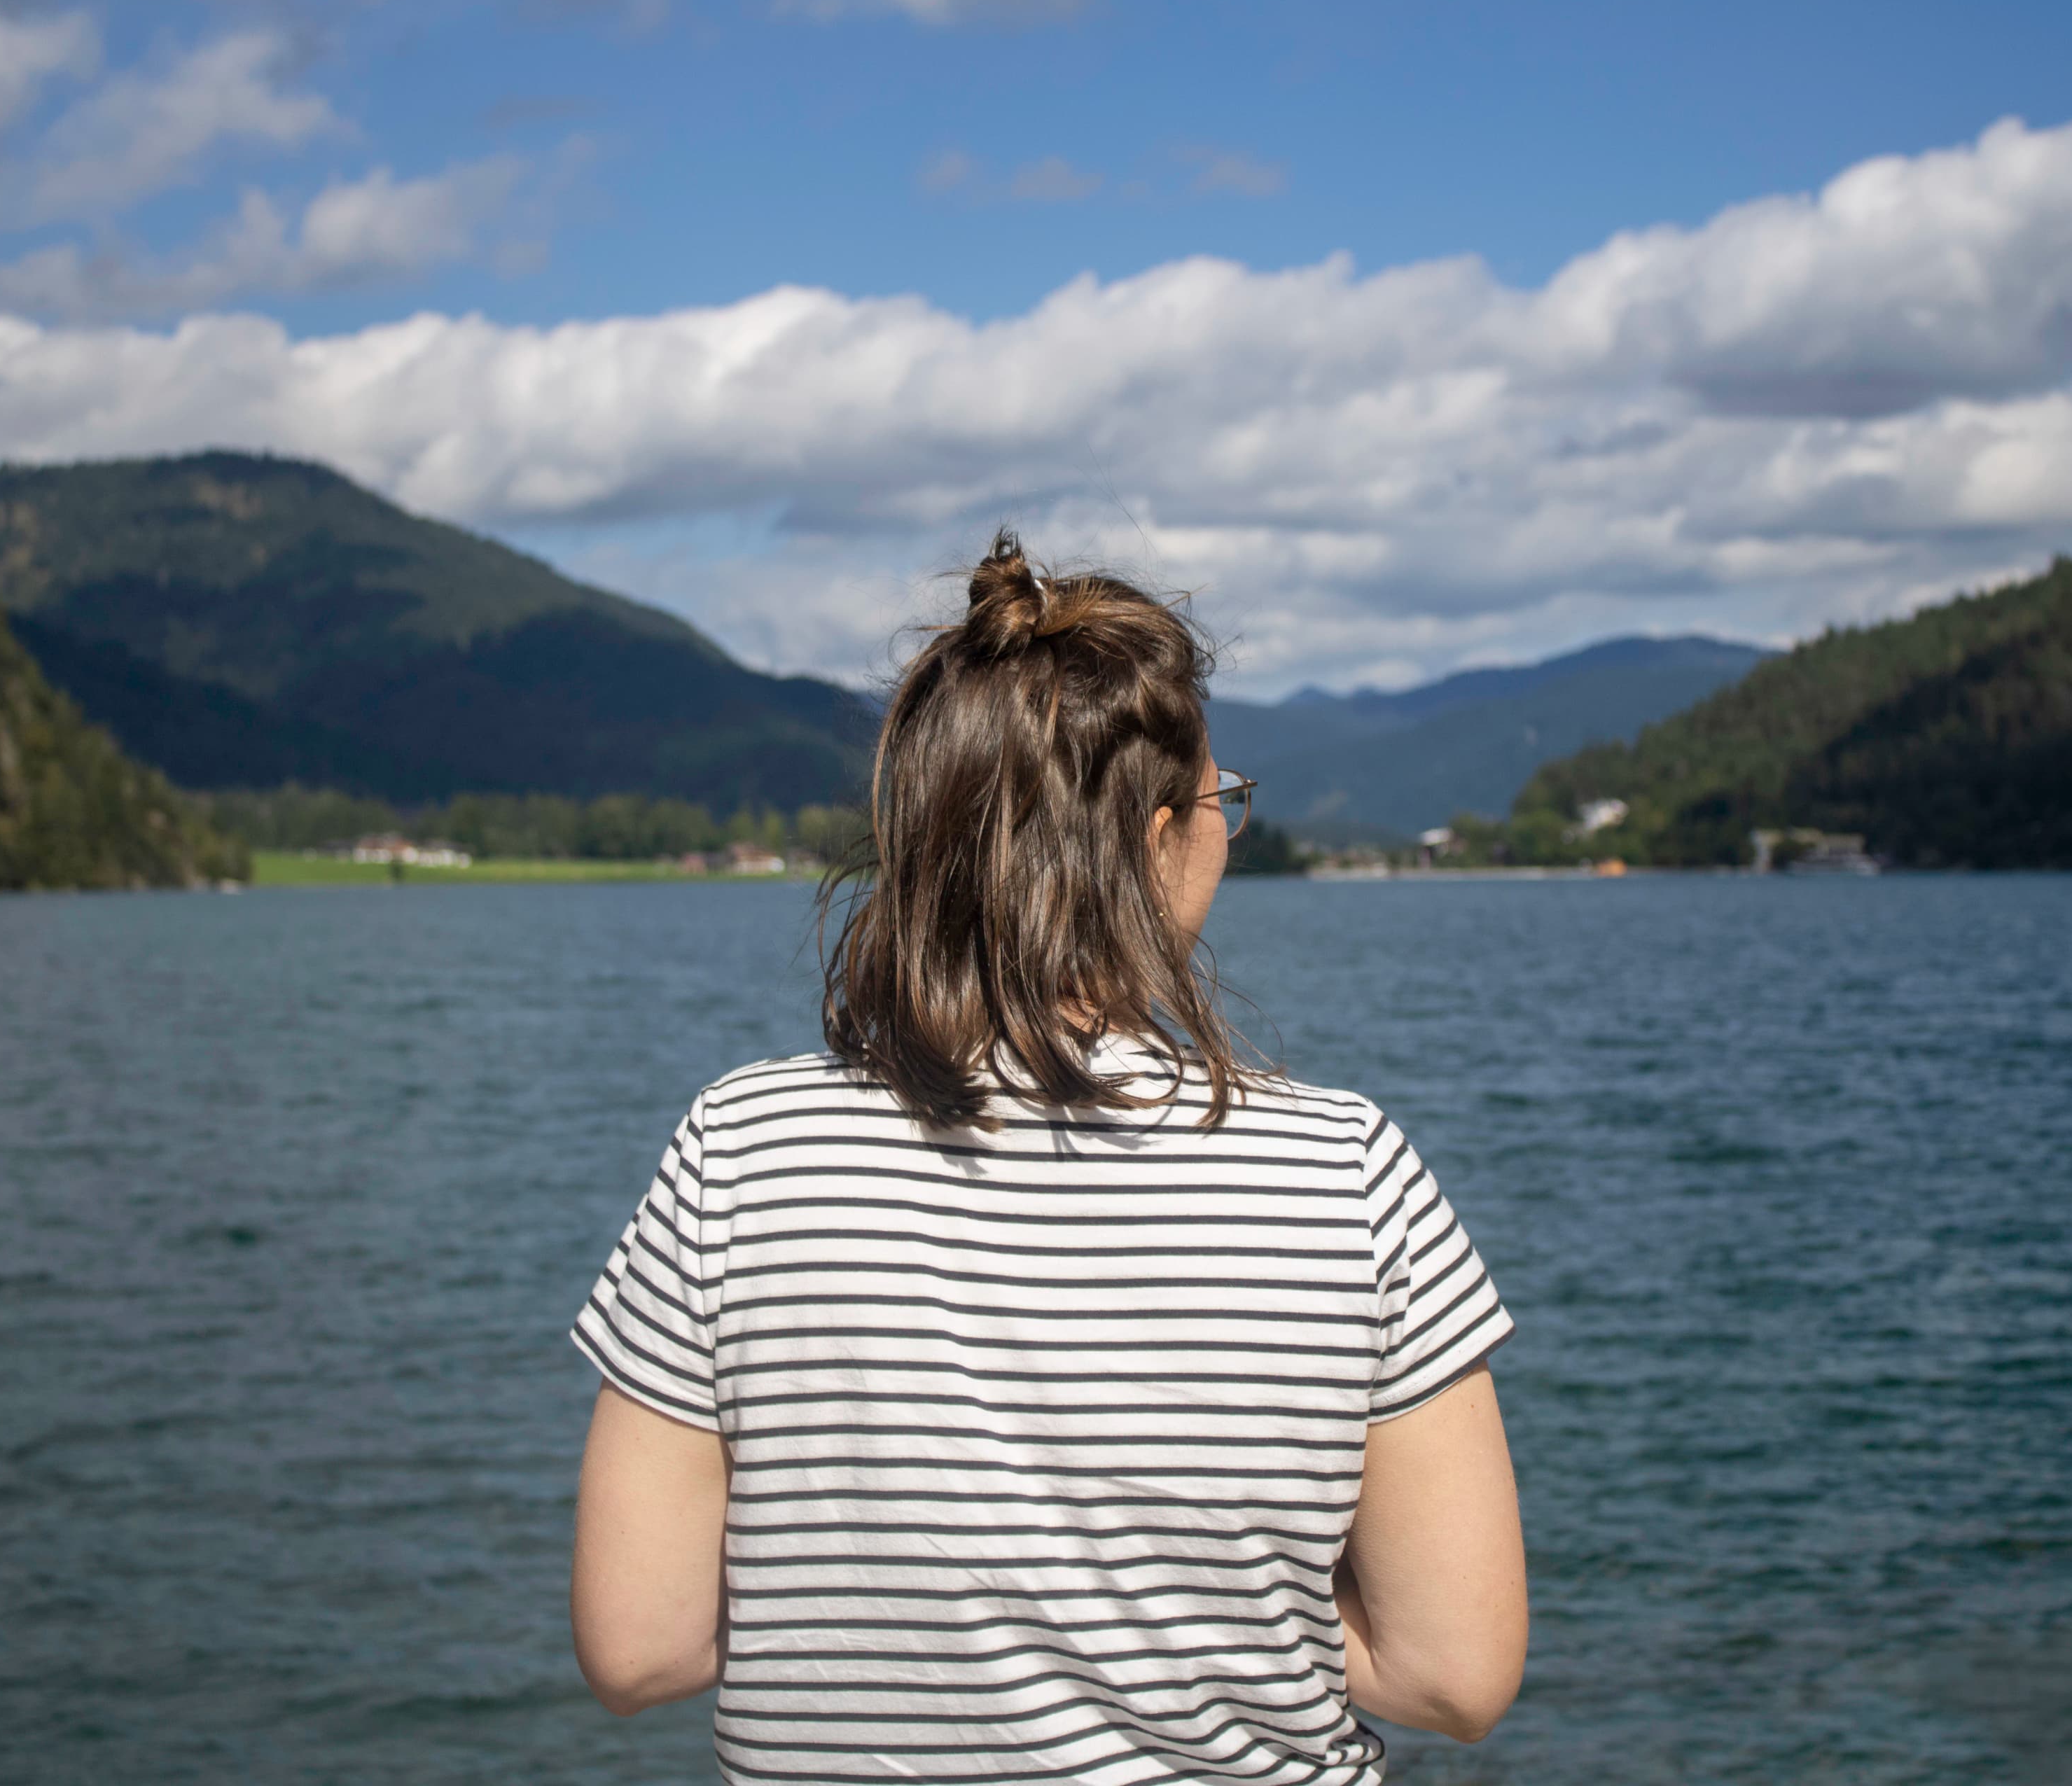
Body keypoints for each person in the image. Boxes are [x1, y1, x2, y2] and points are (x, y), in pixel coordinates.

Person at [569, 533, 1527, 1782]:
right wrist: (1217, 1625)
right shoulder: (1347, 1172)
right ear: (1161, 833)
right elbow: (1452, 1676)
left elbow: (640, 1647)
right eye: (1222, 802)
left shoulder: (739, 1154)